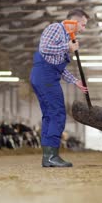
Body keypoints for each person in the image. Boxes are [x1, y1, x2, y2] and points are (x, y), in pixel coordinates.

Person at [30, 9, 89, 168]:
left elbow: (57, 65)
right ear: (74, 22)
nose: (83, 29)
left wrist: (75, 81)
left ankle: (49, 156)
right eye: (82, 25)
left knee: (50, 114)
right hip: (45, 77)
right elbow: (44, 48)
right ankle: (51, 156)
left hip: (47, 75)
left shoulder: (67, 36)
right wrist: (67, 47)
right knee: (57, 113)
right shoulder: (56, 28)